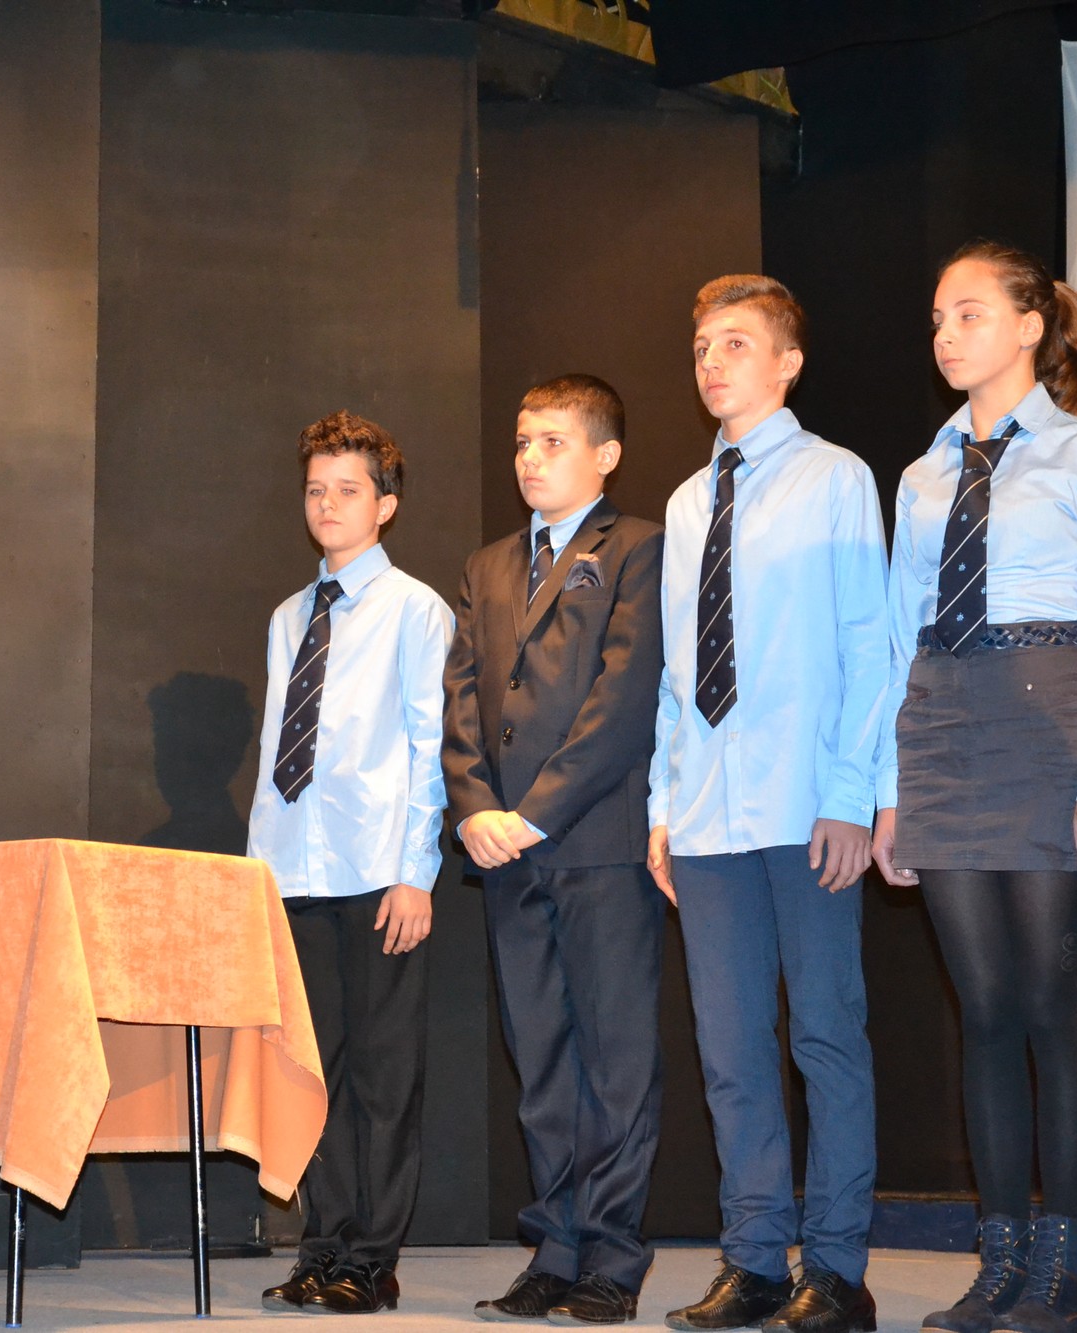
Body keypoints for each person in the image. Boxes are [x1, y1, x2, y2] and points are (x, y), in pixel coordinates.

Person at [871, 241, 1077, 1333]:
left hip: (1046, 724)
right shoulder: (922, 473)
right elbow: (896, 639)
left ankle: (1064, 1273)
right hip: (940, 727)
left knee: (1046, 998)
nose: (946, 334)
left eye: (970, 313)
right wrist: (889, 791)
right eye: (938, 318)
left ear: (1030, 326)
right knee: (981, 1009)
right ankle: (998, 1264)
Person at [649, 276, 887, 1333]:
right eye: (702, 343)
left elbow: (868, 646)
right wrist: (661, 806)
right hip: (706, 815)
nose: (711, 360)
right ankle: (751, 1260)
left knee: (824, 1039)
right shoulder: (684, 502)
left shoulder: (835, 477)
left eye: (736, 343)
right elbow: (675, 672)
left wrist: (850, 795)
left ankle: (833, 1269)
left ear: (787, 363)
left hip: (804, 805)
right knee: (731, 1051)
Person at [443, 375, 666, 1326]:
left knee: (615, 1059)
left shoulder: (639, 546)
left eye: (553, 441)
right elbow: (460, 701)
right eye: (522, 441)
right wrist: (474, 809)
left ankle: (612, 1255)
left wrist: (534, 812)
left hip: (596, 840)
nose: (530, 458)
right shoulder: (488, 564)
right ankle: (556, 1246)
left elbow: (624, 699)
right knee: (540, 1058)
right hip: (504, 850)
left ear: (605, 456)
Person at [249, 411, 453, 1316]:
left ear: (386, 504)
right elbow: (275, 753)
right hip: (295, 872)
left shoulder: (416, 610)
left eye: (348, 489)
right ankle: (322, 1244)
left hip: (376, 870)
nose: (328, 504)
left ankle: (373, 1256)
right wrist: (258, 876)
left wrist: (417, 871)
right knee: (310, 1068)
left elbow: (429, 746)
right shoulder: (289, 616)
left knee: (382, 1073)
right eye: (315, 489)